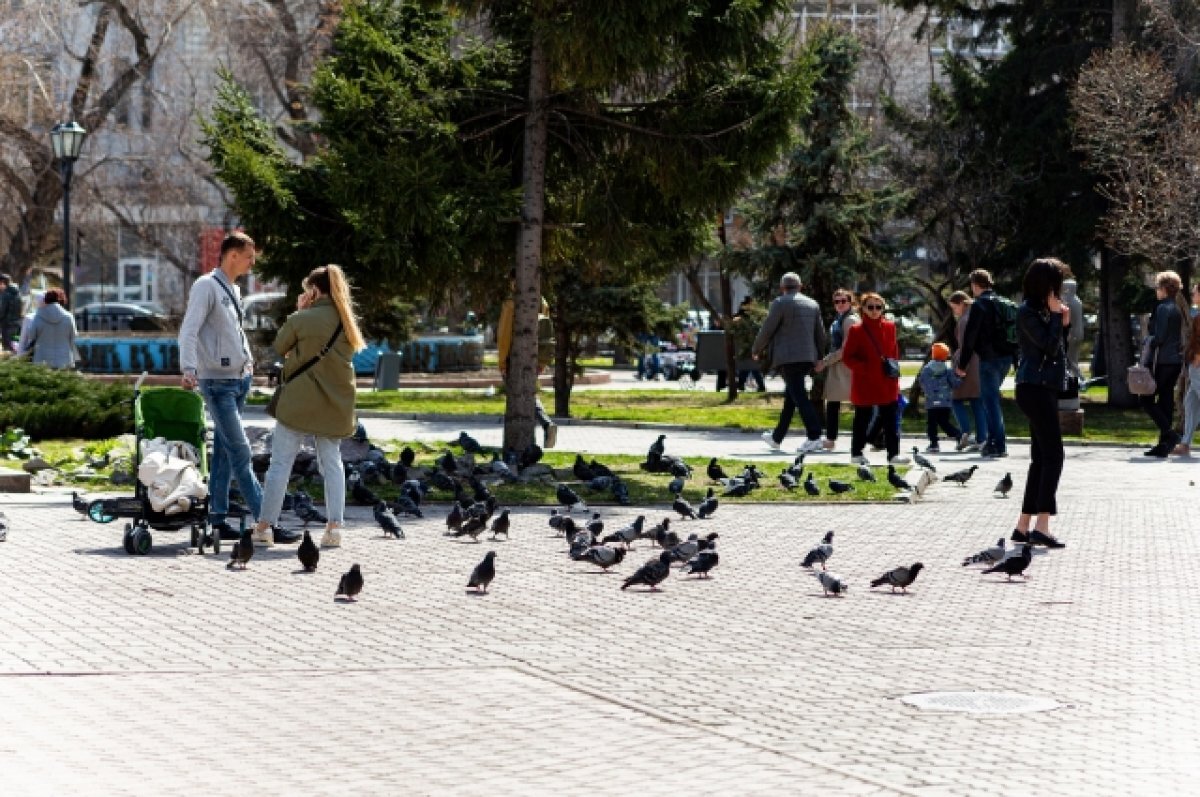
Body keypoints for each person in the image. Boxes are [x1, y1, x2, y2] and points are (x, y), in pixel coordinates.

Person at [179, 231, 300, 546]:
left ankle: (217, 520)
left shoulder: (231, 289)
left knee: (223, 453)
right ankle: (266, 524)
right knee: (241, 451)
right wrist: (189, 368)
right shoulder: (206, 286)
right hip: (216, 382)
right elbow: (189, 330)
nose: (252, 263)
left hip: (237, 380)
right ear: (233, 255)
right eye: (249, 257)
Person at [252, 265, 365, 548]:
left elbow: (280, 346)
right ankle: (334, 528)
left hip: (298, 404)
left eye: (306, 290)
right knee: (332, 464)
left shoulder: (303, 319)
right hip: (334, 404)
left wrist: (298, 312)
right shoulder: (347, 321)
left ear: (314, 290)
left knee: (280, 464)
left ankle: (265, 527)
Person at [1011, 257, 1070, 548]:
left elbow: (1058, 349)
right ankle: (1042, 526)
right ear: (1045, 285)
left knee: (1040, 458)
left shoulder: (1043, 312)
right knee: (1054, 456)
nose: (1059, 291)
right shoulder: (1027, 312)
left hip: (1043, 387)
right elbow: (1047, 346)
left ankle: (1023, 526)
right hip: (1033, 388)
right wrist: (1058, 317)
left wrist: (1060, 320)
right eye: (1056, 284)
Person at [753, 272, 827, 453]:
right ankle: (777, 437)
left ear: (782, 288)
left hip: (788, 358)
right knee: (791, 397)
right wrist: (820, 357)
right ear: (800, 286)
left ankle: (815, 436)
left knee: (799, 397)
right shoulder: (812, 304)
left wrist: (756, 349)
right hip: (807, 357)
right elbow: (820, 334)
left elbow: (767, 329)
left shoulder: (780, 303)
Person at [841, 292, 908, 465]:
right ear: (862, 308)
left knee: (890, 419)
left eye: (878, 307)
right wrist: (865, 368)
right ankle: (856, 453)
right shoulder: (856, 330)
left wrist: (895, 376)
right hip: (865, 381)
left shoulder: (890, 327)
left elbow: (894, 353)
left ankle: (894, 454)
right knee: (862, 419)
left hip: (886, 380)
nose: (874, 311)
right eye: (870, 307)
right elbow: (848, 357)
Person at [956, 269, 1013, 458]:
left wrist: (962, 365)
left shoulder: (979, 306)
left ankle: (997, 444)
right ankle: (994, 441)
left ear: (974, 285)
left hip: (989, 359)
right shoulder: (1001, 302)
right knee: (992, 400)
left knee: (990, 402)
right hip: (1006, 358)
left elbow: (970, 338)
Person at [496, 284, 557, 448]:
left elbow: (504, 335)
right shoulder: (541, 301)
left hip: (514, 357)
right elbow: (546, 334)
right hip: (535, 357)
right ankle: (545, 424)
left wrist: (502, 361)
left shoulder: (511, 303)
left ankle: (544, 424)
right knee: (528, 391)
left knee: (521, 395)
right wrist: (542, 362)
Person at [1140, 270, 1189, 458]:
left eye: (1157, 287)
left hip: (1162, 361)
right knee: (1166, 401)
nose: (1155, 290)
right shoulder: (1176, 308)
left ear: (1164, 289)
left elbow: (1159, 338)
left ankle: (1169, 434)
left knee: (1145, 399)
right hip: (1175, 361)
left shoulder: (1162, 308)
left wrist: (1148, 340)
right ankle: (1164, 446)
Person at [813, 288, 858, 451]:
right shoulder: (840, 319)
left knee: (859, 402)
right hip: (839, 366)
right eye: (836, 301)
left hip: (847, 366)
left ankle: (872, 436)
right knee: (833, 402)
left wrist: (824, 362)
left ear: (850, 301)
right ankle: (831, 439)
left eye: (843, 301)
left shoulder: (850, 320)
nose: (839, 304)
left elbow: (845, 349)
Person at [947, 291, 985, 452]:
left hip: (967, 363)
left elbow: (965, 345)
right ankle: (982, 438)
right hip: (979, 362)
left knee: (956, 399)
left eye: (954, 307)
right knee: (977, 401)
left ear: (961, 303)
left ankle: (965, 431)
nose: (954, 311)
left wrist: (960, 366)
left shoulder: (964, 321)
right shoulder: (976, 315)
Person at [917, 342, 962, 453]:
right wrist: (960, 378)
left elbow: (921, 382)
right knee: (944, 422)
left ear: (933, 354)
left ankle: (934, 444)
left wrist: (927, 391)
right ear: (946, 356)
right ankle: (958, 435)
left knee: (931, 423)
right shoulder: (948, 370)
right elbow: (955, 384)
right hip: (945, 402)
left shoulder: (926, 369)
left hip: (931, 402)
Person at [24, 288, 78, 369]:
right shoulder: (68, 317)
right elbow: (74, 336)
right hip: (64, 359)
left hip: (42, 359)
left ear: (46, 300)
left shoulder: (38, 317)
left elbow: (31, 336)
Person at [1174, 314, 1200, 456]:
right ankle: (1185, 444)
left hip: (1198, 366)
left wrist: (1197, 357)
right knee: (1190, 404)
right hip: (1196, 365)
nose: (1193, 295)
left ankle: (1185, 444)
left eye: (1195, 292)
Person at [0, 273, 21, 353]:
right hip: (17, 325)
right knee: (14, 346)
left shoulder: (5, 295)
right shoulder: (17, 293)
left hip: (7, 325)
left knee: (7, 349)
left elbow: (1, 311)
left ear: (2, 283)